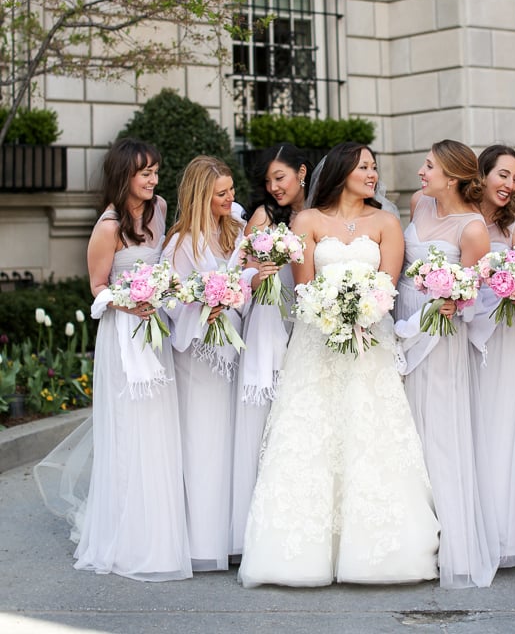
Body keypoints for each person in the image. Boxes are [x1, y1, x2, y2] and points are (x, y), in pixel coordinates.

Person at [239, 142, 439, 587]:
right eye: (365, 166)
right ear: (344, 169)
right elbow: (304, 286)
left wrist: (360, 314)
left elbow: (386, 289)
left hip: (371, 344)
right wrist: (332, 314)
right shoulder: (307, 221)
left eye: (374, 167)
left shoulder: (388, 223)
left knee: (370, 437)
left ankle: (378, 553)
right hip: (316, 343)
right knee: (312, 439)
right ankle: (298, 556)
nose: (373, 174)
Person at [34, 138, 191, 581]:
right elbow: (97, 287)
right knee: (129, 428)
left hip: (156, 329)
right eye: (145, 173)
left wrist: (163, 293)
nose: (153, 180)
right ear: (124, 175)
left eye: (156, 171)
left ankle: (160, 530)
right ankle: (124, 533)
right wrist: (131, 302)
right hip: (124, 334)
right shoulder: (107, 226)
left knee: (158, 426)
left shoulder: (159, 208)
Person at [394, 138, 499, 588]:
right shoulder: (418, 205)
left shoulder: (472, 228)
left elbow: (476, 295)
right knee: (407, 431)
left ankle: (451, 544)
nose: (421, 171)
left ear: (453, 176)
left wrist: (456, 302)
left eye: (429, 165)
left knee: (439, 432)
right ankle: (412, 539)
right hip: (406, 323)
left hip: (441, 339)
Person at [161, 156, 245, 572]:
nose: (231, 198)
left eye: (231, 190)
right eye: (222, 194)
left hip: (234, 350)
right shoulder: (181, 244)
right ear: (200, 196)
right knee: (203, 441)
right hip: (197, 354)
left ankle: (230, 535)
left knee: (231, 440)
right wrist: (202, 309)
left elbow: (248, 284)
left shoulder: (237, 232)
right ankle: (200, 539)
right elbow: (170, 299)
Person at [468, 144, 515, 567]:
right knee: (475, 424)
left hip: (509, 334)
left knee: (504, 427)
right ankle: (472, 525)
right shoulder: (462, 218)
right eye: (502, 175)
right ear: (482, 175)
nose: (509, 184)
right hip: (468, 333)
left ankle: (504, 531)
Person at [231, 142, 312, 554]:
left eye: (279, 178)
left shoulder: (318, 213)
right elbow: (240, 275)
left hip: (311, 321)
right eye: (267, 181)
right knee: (266, 419)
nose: (274, 187)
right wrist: (258, 275)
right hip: (269, 321)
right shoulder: (264, 217)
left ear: (301, 172)